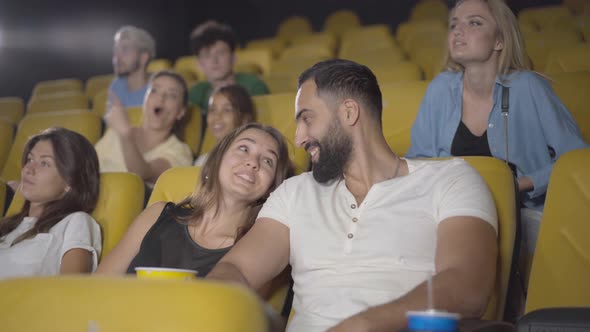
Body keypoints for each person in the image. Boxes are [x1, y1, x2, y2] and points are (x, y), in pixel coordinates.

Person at [207, 59, 498, 332]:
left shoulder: (451, 180)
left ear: (348, 113)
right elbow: (236, 268)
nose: (298, 138)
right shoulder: (295, 193)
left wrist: (361, 325)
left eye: (307, 119)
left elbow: (467, 285)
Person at [405, 0, 588, 254]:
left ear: (499, 40)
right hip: (455, 211)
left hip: (523, 214)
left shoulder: (529, 87)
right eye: (454, 25)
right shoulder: (439, 89)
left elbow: (576, 158)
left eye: (474, 23)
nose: (458, 31)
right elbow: (420, 160)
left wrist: (520, 183)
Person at [96, 123, 292, 279]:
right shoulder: (157, 214)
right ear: (217, 159)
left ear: (271, 188)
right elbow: (96, 288)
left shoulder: (259, 251)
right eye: (243, 148)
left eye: (268, 161)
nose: (253, 162)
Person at [0, 127, 102, 279]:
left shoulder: (75, 221)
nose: (28, 169)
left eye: (44, 163)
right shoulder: (8, 225)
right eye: (30, 159)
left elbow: (71, 289)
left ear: (70, 181)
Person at [95, 70, 193, 187]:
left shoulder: (181, 151)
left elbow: (141, 174)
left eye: (172, 95)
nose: (161, 98)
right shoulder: (115, 132)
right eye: (154, 90)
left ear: (181, 112)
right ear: (145, 100)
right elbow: (87, 166)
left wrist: (125, 136)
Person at [188, 21, 269, 113]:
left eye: (221, 53)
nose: (214, 61)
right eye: (207, 55)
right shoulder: (197, 92)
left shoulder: (254, 86)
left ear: (233, 58)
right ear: (199, 64)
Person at [194, 84, 256, 166]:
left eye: (227, 110)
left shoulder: (248, 160)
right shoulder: (203, 161)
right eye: (212, 110)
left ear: (245, 119)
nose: (217, 116)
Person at [110, 26, 155, 108]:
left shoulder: (160, 86)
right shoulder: (116, 86)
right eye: (115, 50)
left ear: (143, 57)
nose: (117, 57)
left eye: (125, 49)